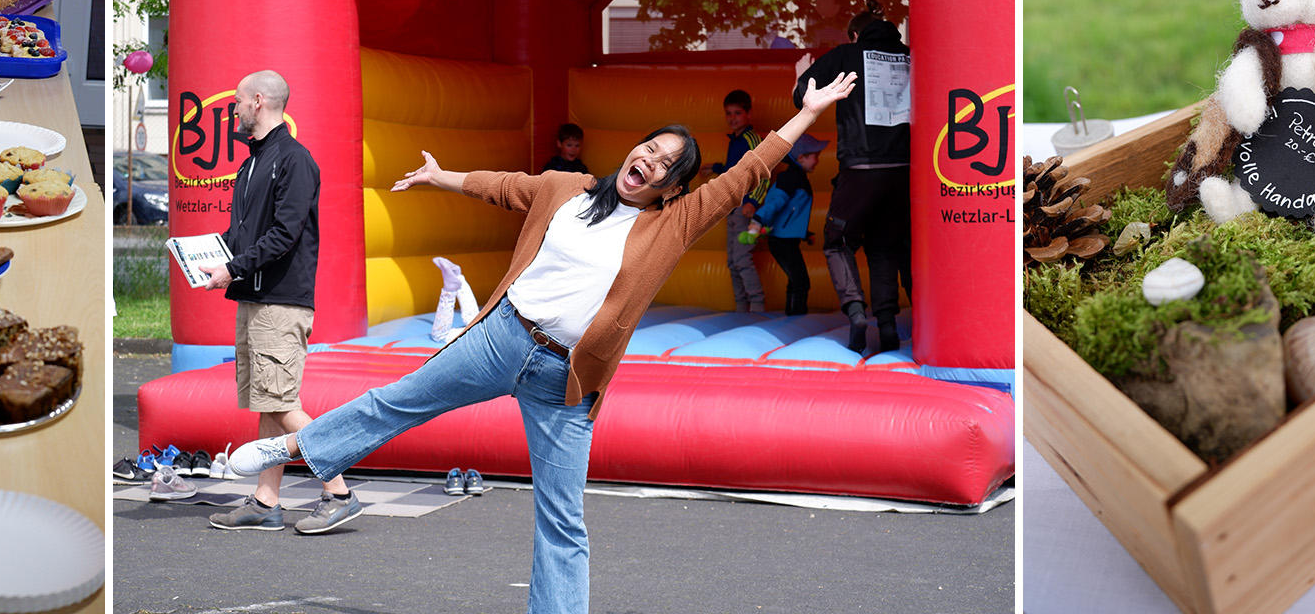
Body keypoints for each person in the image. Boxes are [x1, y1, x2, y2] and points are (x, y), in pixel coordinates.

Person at [224, 71, 860, 614]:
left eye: (669, 166)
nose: (654, 163)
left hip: (566, 381)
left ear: (672, 187)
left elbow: (747, 171)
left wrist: (807, 112)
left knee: (563, 519)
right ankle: (293, 445)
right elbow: (504, 186)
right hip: (504, 337)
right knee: (396, 401)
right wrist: (442, 177)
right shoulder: (567, 189)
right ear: (633, 149)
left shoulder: (672, 224)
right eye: (652, 149)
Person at [197, 69, 361, 536]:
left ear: (260, 101)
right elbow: (240, 236)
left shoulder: (294, 160)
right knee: (270, 403)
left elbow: (286, 235)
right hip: (255, 296)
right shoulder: (252, 163)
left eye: (238, 101)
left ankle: (339, 492)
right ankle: (266, 501)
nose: (233, 109)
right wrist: (204, 257)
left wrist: (231, 268)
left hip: (281, 300)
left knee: (282, 402)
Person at [793, 0, 910, 357]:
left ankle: (857, 313)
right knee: (885, 245)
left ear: (856, 34)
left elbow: (804, 95)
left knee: (837, 241)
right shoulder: (910, 56)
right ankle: (887, 323)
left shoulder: (848, 54)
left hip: (861, 169)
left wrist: (800, 74)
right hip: (905, 171)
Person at [745, 134, 826, 317]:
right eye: (815, 156)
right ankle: (796, 320)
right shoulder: (790, 178)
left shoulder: (797, 177)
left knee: (796, 280)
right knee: (801, 282)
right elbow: (775, 203)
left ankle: (793, 317)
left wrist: (804, 233)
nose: (818, 160)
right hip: (782, 242)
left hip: (787, 239)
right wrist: (758, 219)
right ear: (801, 158)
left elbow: (792, 211)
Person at [709, 90, 770, 312]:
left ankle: (757, 306)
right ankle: (741, 308)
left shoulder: (751, 139)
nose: (732, 118)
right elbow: (735, 171)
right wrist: (716, 168)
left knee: (742, 259)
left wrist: (753, 202)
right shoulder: (734, 141)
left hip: (746, 210)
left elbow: (764, 172)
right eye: (728, 113)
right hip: (733, 208)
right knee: (733, 262)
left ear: (749, 114)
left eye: (737, 113)